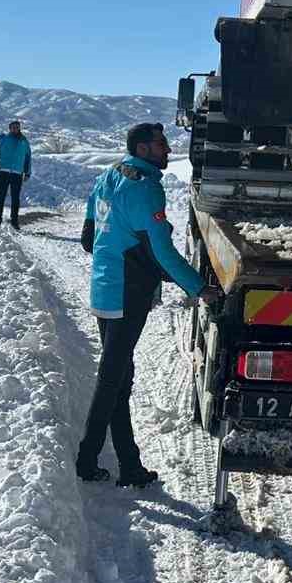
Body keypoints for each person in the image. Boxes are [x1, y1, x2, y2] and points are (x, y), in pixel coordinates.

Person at [76, 121, 207, 487]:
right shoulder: (145, 189)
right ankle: (86, 461)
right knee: (112, 379)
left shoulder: (107, 176)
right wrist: (198, 288)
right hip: (127, 293)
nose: (167, 150)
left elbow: (89, 238)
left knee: (119, 377)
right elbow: (163, 252)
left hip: (104, 288)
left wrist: (117, 247)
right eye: (162, 144)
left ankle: (129, 466)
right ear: (144, 148)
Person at [0, 119, 32, 229]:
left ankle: (14, 221)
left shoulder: (24, 142)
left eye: (17, 127)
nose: (15, 129)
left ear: (19, 128)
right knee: (1, 196)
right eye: (13, 127)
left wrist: (27, 173)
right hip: (4, 172)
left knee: (15, 198)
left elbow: (28, 158)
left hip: (17, 174)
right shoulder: (4, 138)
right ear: (9, 128)